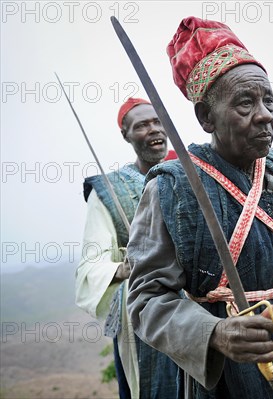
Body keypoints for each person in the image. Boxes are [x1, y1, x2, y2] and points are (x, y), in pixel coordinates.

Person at [126, 17, 273, 398]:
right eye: (245, 102)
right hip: (240, 374)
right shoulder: (171, 188)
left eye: (268, 99)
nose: (265, 114)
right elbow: (146, 298)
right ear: (206, 116)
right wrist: (214, 333)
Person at [75, 98, 180, 398]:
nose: (153, 129)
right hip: (141, 308)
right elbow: (91, 263)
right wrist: (122, 269)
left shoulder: (189, 174)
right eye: (142, 125)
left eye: (157, 121)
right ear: (127, 135)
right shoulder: (110, 191)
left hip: (198, 303)